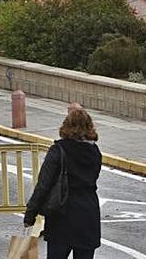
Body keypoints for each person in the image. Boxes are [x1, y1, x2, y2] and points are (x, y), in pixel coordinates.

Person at [24, 109, 102, 259]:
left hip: (62, 214)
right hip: (88, 214)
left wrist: (30, 215)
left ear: (66, 126)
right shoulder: (94, 152)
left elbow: (43, 185)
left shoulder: (58, 150)